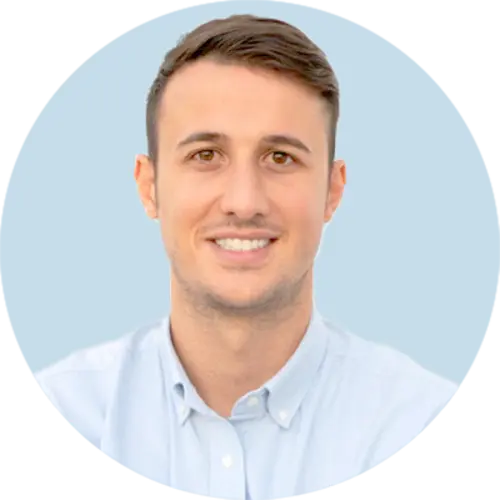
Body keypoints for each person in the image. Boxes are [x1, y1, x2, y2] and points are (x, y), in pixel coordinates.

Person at [32, 14, 458, 499]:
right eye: (205, 155)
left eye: (280, 157)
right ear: (149, 187)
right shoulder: (67, 411)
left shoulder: (424, 427)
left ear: (332, 191)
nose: (244, 201)